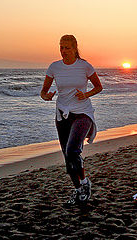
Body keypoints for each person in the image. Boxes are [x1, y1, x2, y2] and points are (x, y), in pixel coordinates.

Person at [40, 34, 103, 205]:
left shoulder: (84, 66)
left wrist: (86, 94)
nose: (63, 51)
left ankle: (84, 183)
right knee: (67, 157)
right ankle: (78, 190)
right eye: (61, 47)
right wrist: (47, 96)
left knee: (72, 150)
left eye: (67, 47)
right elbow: (43, 91)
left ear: (75, 48)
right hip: (62, 114)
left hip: (83, 113)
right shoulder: (54, 67)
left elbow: (99, 87)